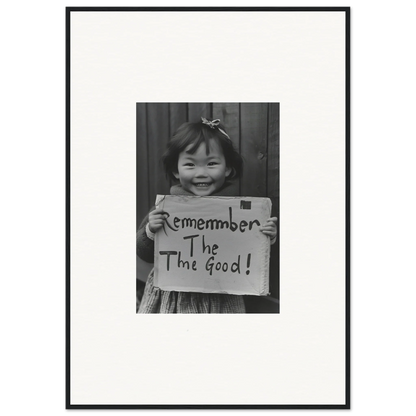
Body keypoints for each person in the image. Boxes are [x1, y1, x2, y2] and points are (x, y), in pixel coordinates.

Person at [137, 117, 277, 313]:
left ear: (227, 168)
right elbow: (143, 252)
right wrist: (151, 230)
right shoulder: (165, 209)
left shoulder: (240, 214)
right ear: (176, 171)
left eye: (211, 163)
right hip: (175, 297)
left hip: (222, 296)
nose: (201, 173)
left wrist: (265, 236)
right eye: (190, 165)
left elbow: (249, 251)